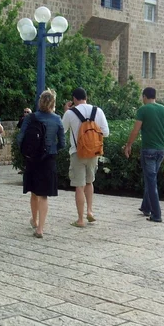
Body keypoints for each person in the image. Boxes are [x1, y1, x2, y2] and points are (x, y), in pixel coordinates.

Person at [17, 89, 65, 239]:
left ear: (40, 102)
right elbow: (62, 143)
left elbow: (20, 138)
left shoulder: (30, 118)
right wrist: (52, 150)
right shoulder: (57, 120)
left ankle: (34, 219)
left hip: (32, 159)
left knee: (33, 192)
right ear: (53, 103)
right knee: (43, 195)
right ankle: (40, 229)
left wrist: (26, 152)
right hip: (48, 159)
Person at [62, 87, 110, 227]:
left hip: (77, 152)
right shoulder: (97, 111)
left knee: (79, 185)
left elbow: (62, 130)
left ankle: (80, 220)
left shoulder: (70, 113)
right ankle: (90, 211)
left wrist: (66, 112)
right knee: (89, 182)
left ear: (74, 99)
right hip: (93, 152)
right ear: (86, 97)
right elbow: (106, 132)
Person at [124, 87, 164, 223]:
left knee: (151, 181)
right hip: (161, 150)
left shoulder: (143, 110)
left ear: (144, 96)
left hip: (148, 150)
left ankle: (156, 214)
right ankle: (146, 207)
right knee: (150, 178)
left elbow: (135, 130)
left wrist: (128, 145)